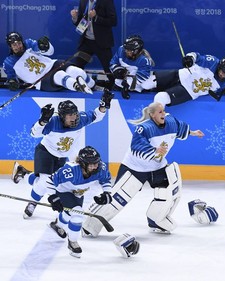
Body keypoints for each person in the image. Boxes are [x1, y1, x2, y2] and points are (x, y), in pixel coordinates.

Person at [81, 102, 205, 236]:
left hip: (157, 167)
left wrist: (193, 133)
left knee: (169, 192)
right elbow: (136, 146)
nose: (163, 114)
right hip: (134, 168)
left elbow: (181, 129)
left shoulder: (171, 122)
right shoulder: (144, 128)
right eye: (160, 112)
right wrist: (155, 150)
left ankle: (156, 220)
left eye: (163, 111)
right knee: (116, 199)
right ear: (152, 115)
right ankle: (90, 225)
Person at [11, 91, 114, 219]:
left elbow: (95, 115)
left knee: (52, 182)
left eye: (75, 114)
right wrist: (42, 122)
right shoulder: (53, 122)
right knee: (44, 181)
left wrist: (104, 106)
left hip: (62, 156)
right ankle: (33, 202)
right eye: (70, 115)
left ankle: (24, 173)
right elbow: (34, 133)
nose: (74, 118)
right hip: (46, 152)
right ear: (61, 117)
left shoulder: (80, 120)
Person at [46, 146, 139, 258]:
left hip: (78, 193)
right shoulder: (70, 170)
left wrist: (107, 193)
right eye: (91, 163)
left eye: (96, 162)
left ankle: (58, 225)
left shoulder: (100, 168)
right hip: (63, 191)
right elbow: (50, 180)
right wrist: (53, 197)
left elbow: (105, 179)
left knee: (69, 212)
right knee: (77, 215)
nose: (95, 166)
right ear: (82, 163)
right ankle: (72, 242)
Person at [3, 31, 94, 94]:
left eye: (19, 43)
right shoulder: (9, 62)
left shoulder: (29, 44)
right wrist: (12, 83)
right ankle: (77, 87)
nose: (18, 46)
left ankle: (93, 86)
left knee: (77, 71)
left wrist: (46, 46)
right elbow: (12, 79)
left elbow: (50, 52)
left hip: (53, 65)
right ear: (10, 46)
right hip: (41, 80)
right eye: (14, 45)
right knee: (60, 75)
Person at [150, 53, 225, 106]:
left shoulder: (224, 83)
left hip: (187, 91)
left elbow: (217, 95)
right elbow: (196, 56)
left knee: (161, 97)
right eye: (223, 71)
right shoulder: (212, 62)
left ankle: (154, 123)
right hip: (181, 75)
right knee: (148, 83)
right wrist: (190, 58)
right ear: (219, 67)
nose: (223, 75)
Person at [70, 0, 117, 89]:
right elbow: (80, 22)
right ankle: (75, 86)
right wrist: (75, 17)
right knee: (77, 66)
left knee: (109, 70)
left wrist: (96, 17)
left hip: (101, 42)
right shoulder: (83, 1)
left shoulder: (106, 2)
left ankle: (116, 88)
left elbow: (113, 21)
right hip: (86, 41)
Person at [109, 34, 155, 99]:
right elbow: (113, 62)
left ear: (136, 50)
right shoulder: (121, 50)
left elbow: (144, 75)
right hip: (119, 84)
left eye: (129, 50)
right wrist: (117, 70)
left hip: (137, 88)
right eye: (126, 49)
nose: (126, 51)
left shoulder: (144, 59)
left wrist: (127, 84)